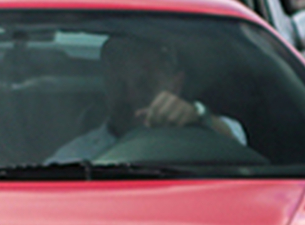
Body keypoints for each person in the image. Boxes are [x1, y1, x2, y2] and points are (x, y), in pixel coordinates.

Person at [47, 32, 245, 163]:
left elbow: (237, 143)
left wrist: (198, 117)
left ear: (176, 84)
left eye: (145, 85)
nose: (131, 96)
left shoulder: (204, 141)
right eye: (120, 85)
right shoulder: (74, 159)